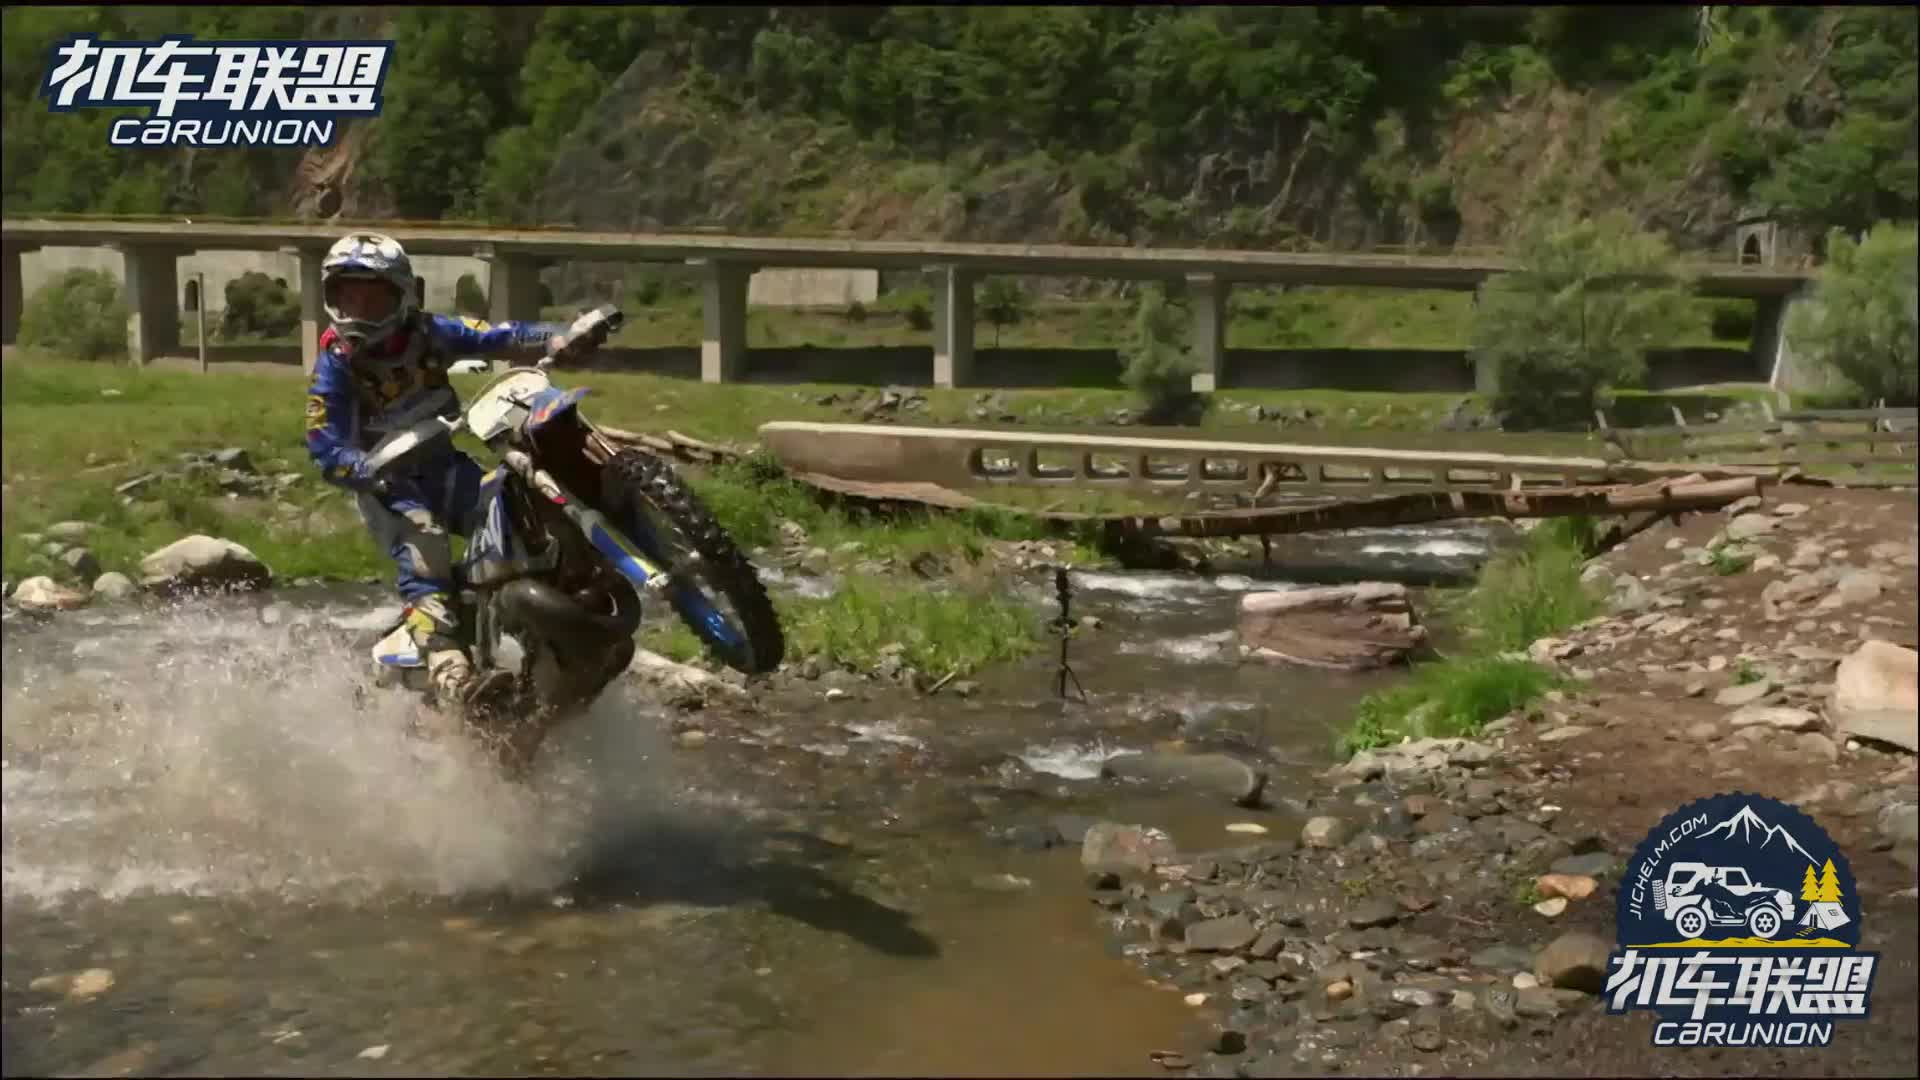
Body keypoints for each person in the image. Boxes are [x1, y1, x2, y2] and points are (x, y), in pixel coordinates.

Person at [304, 232, 582, 711]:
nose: (358, 308)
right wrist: (361, 466)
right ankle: (452, 675)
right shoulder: (336, 361)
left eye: (372, 296)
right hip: (390, 486)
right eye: (347, 295)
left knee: (514, 504)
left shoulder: (431, 331)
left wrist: (555, 336)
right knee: (426, 546)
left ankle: (543, 617)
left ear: (402, 294)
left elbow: (496, 335)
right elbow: (323, 440)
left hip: (444, 465)